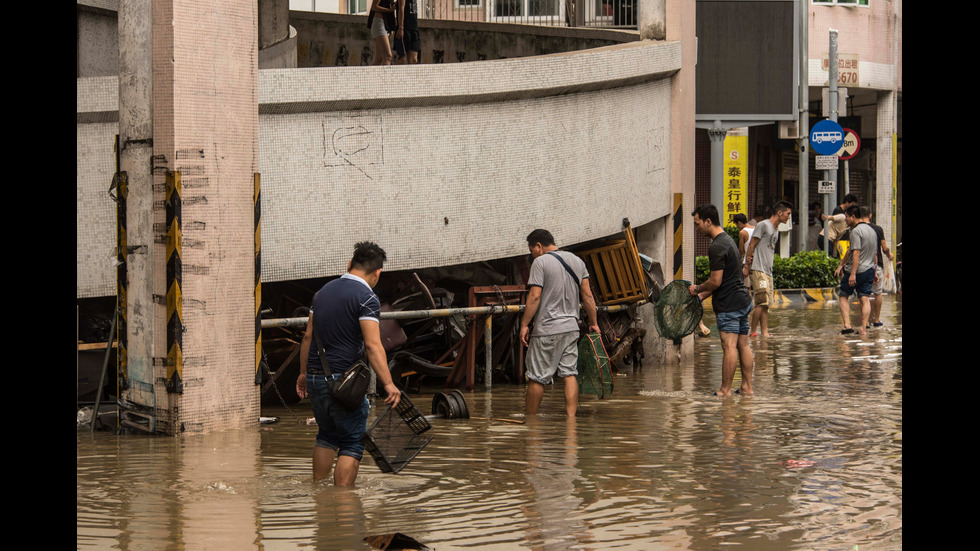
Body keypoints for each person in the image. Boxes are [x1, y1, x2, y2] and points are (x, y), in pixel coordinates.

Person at [295, 242, 401, 485]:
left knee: (326, 436)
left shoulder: (321, 293)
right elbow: (373, 346)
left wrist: (303, 374)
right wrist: (389, 383)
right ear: (377, 273)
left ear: (349, 265)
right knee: (352, 441)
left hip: (314, 378)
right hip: (343, 383)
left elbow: (308, 336)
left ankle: (320, 495)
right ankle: (342, 504)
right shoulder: (367, 298)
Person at [520, 229, 600, 417]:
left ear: (539, 246)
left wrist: (524, 324)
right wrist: (594, 322)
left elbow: (534, 297)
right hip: (571, 328)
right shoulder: (577, 261)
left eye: (531, 250)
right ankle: (571, 423)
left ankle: (530, 423)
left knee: (536, 378)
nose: (532, 255)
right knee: (569, 373)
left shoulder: (540, 263)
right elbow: (587, 296)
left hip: (547, 329)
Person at [688, 204, 754, 397]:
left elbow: (715, 281)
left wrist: (697, 288)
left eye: (697, 224)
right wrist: (702, 295)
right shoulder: (728, 240)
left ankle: (724, 391)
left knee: (729, 346)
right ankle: (747, 388)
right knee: (743, 344)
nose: (696, 228)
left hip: (729, 304)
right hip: (742, 300)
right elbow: (725, 279)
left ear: (708, 221)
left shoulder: (717, 246)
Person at [742, 201, 792, 338]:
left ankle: (764, 332)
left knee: (766, 304)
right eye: (788, 214)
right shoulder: (763, 225)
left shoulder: (775, 230)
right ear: (779, 213)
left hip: (768, 271)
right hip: (758, 269)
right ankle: (752, 331)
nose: (789, 217)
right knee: (761, 300)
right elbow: (751, 245)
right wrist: (747, 266)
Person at [834, 206, 878, 336]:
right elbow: (874, 253)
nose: (846, 220)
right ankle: (863, 329)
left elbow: (856, 253)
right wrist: (874, 272)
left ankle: (847, 326)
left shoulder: (855, 231)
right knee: (865, 298)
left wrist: (852, 273)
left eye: (847, 217)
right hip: (869, 270)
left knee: (843, 295)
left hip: (856, 271)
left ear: (853, 217)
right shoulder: (872, 231)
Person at [861, 206, 893, 328]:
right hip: (876, 265)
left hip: (862, 266)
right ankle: (877, 320)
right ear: (870, 215)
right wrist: (889, 254)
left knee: (864, 294)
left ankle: (866, 322)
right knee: (877, 292)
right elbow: (884, 248)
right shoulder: (878, 229)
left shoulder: (857, 229)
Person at [367, 0, 396, 65]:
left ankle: (370, 74)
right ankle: (386, 75)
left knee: (378, 59)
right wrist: (389, 10)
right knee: (387, 56)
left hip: (385, 23)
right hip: (379, 23)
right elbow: (374, 7)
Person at [395, 0, 421, 65]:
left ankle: (412, 75)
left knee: (414, 59)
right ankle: (395, 74)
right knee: (402, 57)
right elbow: (401, 9)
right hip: (405, 29)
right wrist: (401, 27)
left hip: (414, 28)